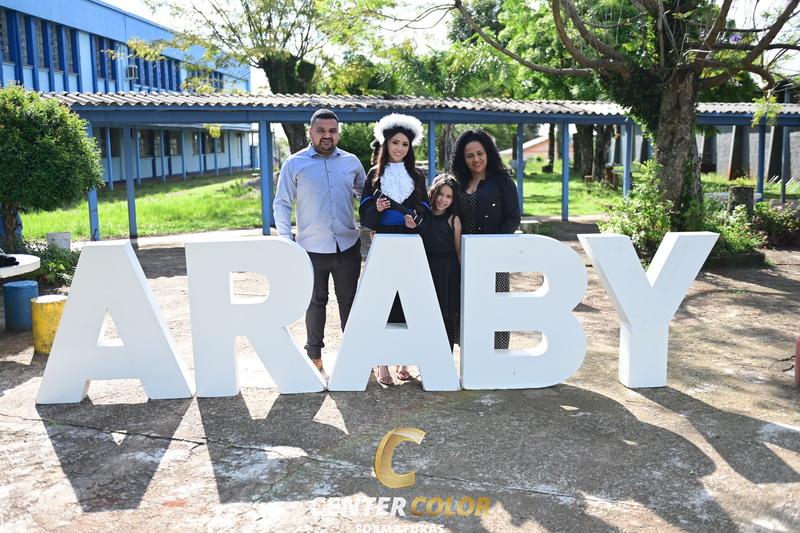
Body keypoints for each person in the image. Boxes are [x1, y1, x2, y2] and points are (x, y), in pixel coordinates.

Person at [273, 109, 366, 373]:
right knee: (316, 302)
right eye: (321, 130)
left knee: (349, 300)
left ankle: (354, 354)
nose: (327, 135)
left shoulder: (351, 162)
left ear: (338, 133)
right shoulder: (294, 164)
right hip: (311, 248)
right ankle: (314, 355)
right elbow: (282, 203)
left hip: (347, 245)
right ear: (310, 132)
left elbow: (365, 196)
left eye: (332, 131)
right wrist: (285, 240)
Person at [359, 113, 429, 385]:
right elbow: (365, 213)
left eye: (405, 144)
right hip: (383, 242)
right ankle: (381, 362)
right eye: (395, 142)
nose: (399, 148)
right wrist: (376, 209)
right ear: (386, 143)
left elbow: (424, 209)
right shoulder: (374, 174)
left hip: (409, 244)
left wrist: (415, 221)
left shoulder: (417, 175)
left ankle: (404, 361)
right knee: (382, 301)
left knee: (407, 300)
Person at [449, 129, 520, 350]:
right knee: (465, 306)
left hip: (493, 257)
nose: (476, 159)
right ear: (462, 158)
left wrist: (491, 246)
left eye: (480, 153)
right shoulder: (458, 183)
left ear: (488, 152)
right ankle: (472, 353)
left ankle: (497, 354)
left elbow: (513, 219)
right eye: (470, 155)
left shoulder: (502, 181)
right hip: (462, 257)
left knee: (496, 307)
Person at [422, 174, 462, 350]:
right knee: (426, 315)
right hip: (426, 269)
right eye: (440, 194)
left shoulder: (453, 220)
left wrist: (462, 275)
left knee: (447, 317)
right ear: (433, 191)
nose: (443, 199)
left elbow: (458, 250)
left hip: (447, 273)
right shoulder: (422, 215)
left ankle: (447, 357)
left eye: (448, 196)